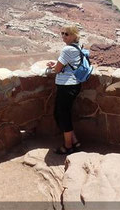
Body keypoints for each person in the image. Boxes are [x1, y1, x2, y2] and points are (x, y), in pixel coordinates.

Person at [46, 25, 84, 155]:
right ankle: (75, 141)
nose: (63, 36)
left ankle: (68, 146)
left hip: (67, 86)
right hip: (73, 85)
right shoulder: (77, 47)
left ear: (74, 35)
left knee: (63, 115)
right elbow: (66, 65)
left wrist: (54, 67)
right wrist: (57, 65)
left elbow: (57, 70)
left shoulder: (67, 49)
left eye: (66, 34)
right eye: (62, 33)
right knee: (62, 113)